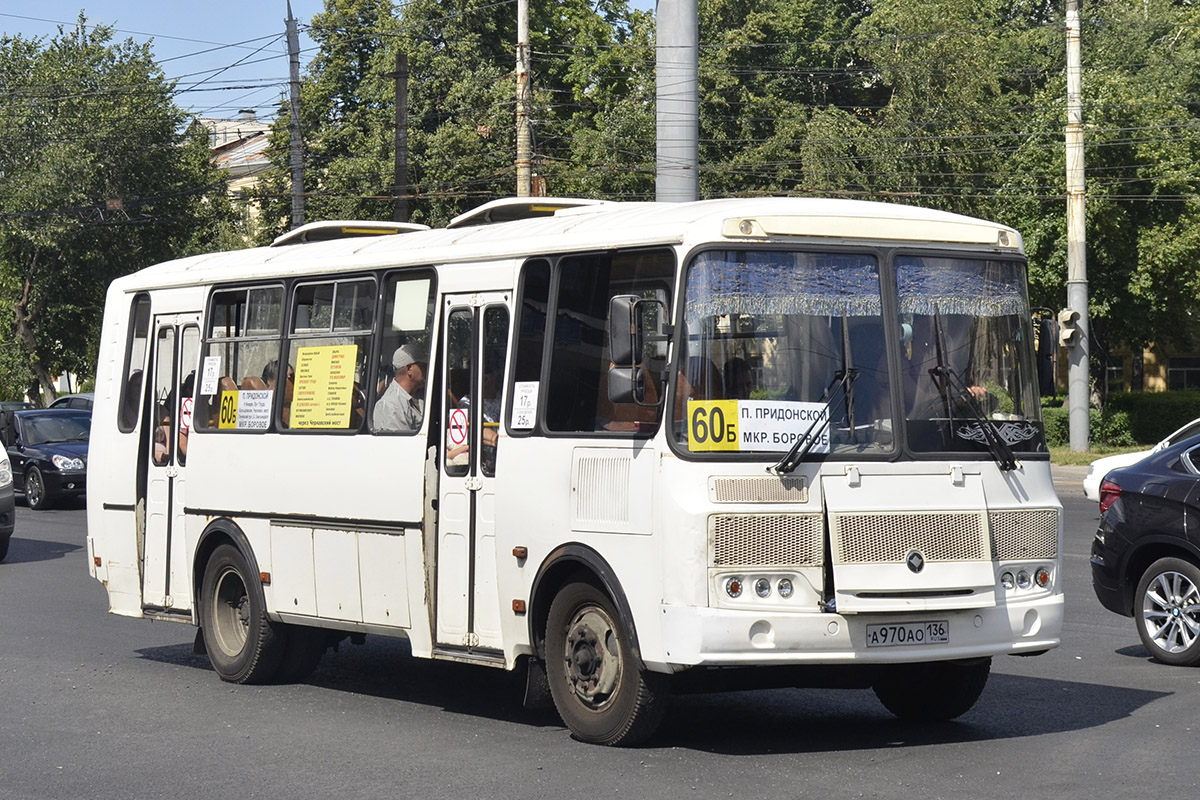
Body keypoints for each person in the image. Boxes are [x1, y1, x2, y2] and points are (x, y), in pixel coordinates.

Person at [373, 344, 427, 431]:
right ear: (409, 369)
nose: (427, 370)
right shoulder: (391, 405)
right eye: (423, 366)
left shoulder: (421, 395)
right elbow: (400, 443)